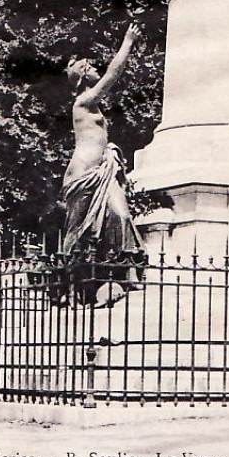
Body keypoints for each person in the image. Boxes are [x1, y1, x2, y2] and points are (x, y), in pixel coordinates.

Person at [60, 23, 148, 307]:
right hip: (83, 174)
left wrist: (109, 149)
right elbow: (112, 74)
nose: (97, 68)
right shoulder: (83, 101)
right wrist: (128, 41)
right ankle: (72, 287)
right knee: (80, 231)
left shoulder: (93, 106)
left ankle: (127, 274)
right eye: (91, 67)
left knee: (120, 215)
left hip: (102, 172)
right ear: (84, 76)